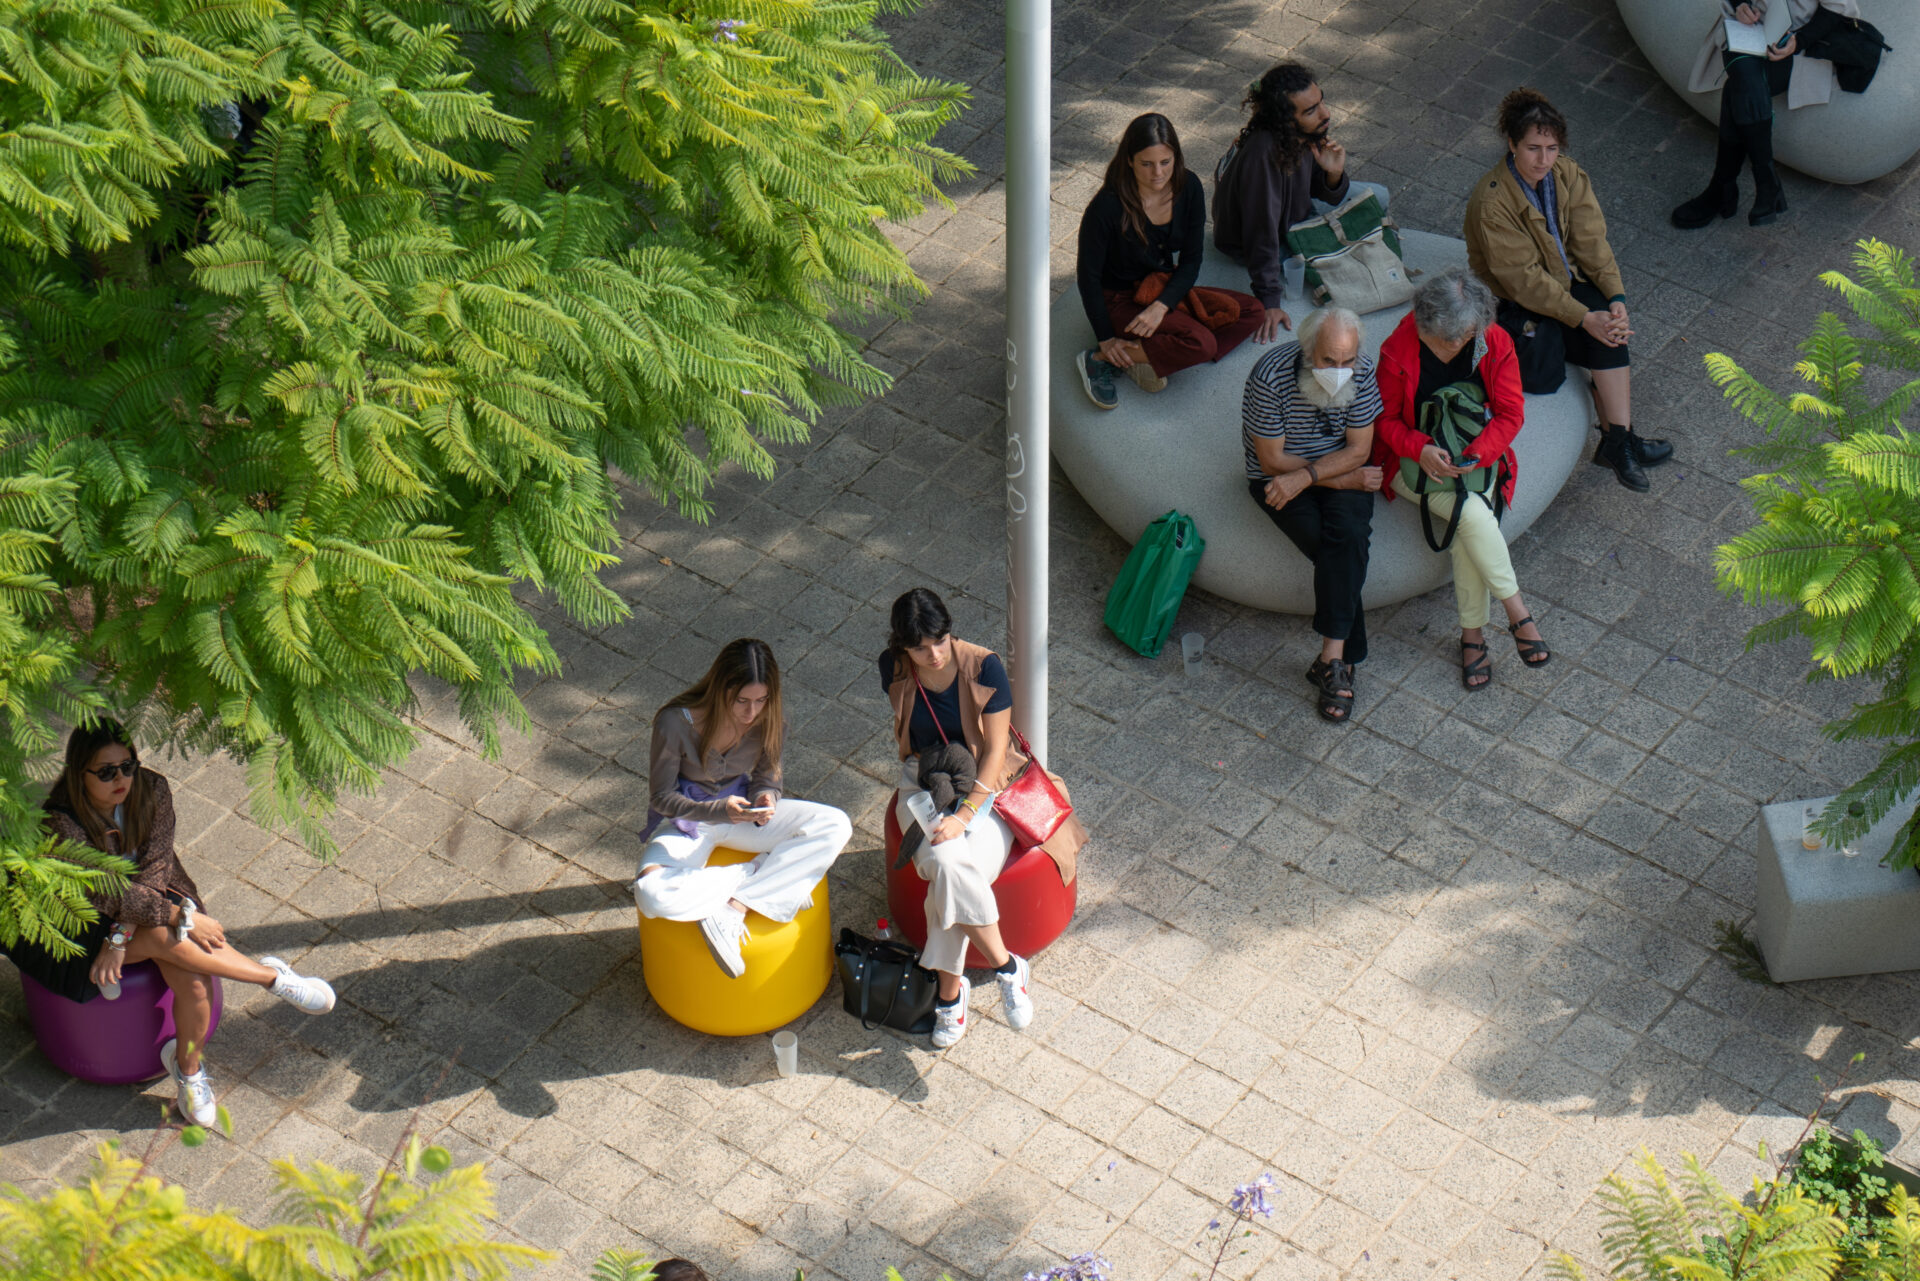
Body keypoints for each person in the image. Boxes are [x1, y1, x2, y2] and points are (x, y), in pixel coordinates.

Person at [0, 720, 336, 1126]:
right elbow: (105, 893)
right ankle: (271, 978)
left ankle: (189, 1073)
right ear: (79, 773)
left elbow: (156, 869)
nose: (121, 779)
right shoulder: (60, 823)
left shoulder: (152, 789)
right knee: (164, 935)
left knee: (192, 980)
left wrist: (121, 936)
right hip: (79, 922)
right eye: (106, 772)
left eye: (128, 766)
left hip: (151, 896)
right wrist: (178, 917)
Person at [879, 588, 1084, 1048]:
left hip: (987, 787)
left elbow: (994, 751)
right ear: (902, 647)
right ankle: (1007, 966)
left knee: (948, 872)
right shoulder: (892, 668)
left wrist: (967, 813)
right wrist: (944, 812)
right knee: (950, 865)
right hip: (923, 782)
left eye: (940, 641)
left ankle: (950, 999)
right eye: (919, 648)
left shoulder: (982, 667)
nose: (933, 655)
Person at [1463, 88, 1673, 493]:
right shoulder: (1493, 203)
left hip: (1563, 282)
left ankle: (1618, 442)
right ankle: (1620, 442)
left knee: (1610, 329)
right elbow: (1524, 280)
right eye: (1533, 148)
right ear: (1512, 144)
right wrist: (1582, 317)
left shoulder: (1567, 174)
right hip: (1515, 302)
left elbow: (1592, 243)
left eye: (1552, 148)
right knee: (1583, 344)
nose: (1544, 159)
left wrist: (1615, 297)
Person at [1374, 270, 1552, 691]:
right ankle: (1516, 613)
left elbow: (1511, 414)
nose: (1452, 345)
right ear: (1423, 324)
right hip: (1411, 461)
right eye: (1441, 338)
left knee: (1466, 524)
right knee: (1472, 515)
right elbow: (1383, 421)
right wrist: (1419, 448)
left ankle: (1473, 637)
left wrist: (1476, 455)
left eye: (1461, 337)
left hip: (1474, 455)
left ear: (1476, 327)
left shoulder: (1494, 341)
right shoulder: (1398, 349)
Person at [635, 639, 852, 978]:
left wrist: (767, 797)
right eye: (742, 701)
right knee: (651, 894)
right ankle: (764, 874)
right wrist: (719, 811)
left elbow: (768, 777)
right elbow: (661, 797)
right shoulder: (674, 723)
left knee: (835, 824)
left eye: (761, 700)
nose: (752, 712)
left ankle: (735, 908)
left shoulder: (772, 719)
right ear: (720, 688)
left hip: (743, 814)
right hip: (689, 821)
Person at [1242, 305, 1385, 723]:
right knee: (1336, 550)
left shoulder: (1363, 370)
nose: (1340, 370)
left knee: (1349, 537)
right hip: (1282, 477)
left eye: (1347, 360)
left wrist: (1312, 477)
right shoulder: (1269, 376)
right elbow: (1271, 460)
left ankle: (1331, 659)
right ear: (1307, 350)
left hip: (1328, 471)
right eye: (1328, 360)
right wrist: (1339, 480)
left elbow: (1359, 448)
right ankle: (1343, 663)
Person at [1074, 113, 1264, 410]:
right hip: (1120, 300)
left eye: (1165, 162)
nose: (1158, 173)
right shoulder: (1106, 207)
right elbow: (1088, 279)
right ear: (1129, 161)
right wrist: (1106, 339)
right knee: (1203, 343)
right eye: (1146, 164)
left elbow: (1192, 259)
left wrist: (1161, 306)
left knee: (1252, 311)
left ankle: (1147, 353)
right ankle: (1101, 359)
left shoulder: (1189, 187)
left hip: (1160, 286)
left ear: (1176, 157)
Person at [1214, 62, 1391, 343]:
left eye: (1321, 102)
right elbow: (1261, 232)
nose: (1325, 114)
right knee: (1347, 237)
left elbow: (1323, 192)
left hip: (1297, 213)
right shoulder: (1263, 158)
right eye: (1310, 111)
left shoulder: (1304, 134)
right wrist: (1270, 301)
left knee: (1380, 196)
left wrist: (1333, 174)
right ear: (1285, 120)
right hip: (1265, 240)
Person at [1674, 0, 1862, 230]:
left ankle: (1723, 188)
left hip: (1796, 40)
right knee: (1745, 79)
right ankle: (1765, 181)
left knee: (1740, 87)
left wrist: (1798, 41)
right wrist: (1741, 5)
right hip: (1745, 28)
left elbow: (1838, 7)